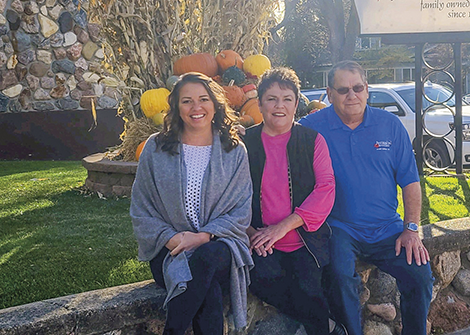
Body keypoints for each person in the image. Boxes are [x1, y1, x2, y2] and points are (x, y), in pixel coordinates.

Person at [299, 61, 433, 335]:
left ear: (367, 89)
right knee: (338, 277)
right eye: (343, 89)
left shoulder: (390, 125)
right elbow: (279, 135)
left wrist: (411, 228)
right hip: (339, 228)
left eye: (358, 88)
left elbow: (410, 181)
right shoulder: (312, 127)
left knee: (419, 274)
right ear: (329, 93)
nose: (352, 95)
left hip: (387, 227)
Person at [130, 72, 254, 335]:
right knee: (208, 293)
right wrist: (172, 239)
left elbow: (241, 211)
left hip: (220, 246)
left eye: (203, 99)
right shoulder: (155, 148)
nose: (196, 108)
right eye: (187, 101)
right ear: (175, 106)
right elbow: (141, 209)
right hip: (169, 249)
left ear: (215, 104)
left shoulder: (234, 150)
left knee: (207, 257)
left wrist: (202, 237)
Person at [242, 67, 343, 335]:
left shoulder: (312, 141)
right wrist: (251, 232)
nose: (279, 106)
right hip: (258, 239)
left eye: (287, 99)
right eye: (272, 98)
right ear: (260, 104)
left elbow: (325, 189)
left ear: (296, 104)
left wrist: (282, 227)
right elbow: (230, 195)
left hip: (303, 240)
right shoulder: (244, 143)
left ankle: (324, 327)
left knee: (311, 290)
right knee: (261, 280)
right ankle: (330, 327)